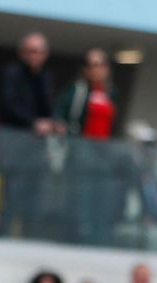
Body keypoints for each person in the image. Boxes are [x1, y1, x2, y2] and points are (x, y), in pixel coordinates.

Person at [55, 48, 123, 246]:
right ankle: (75, 238)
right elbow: (60, 114)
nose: (96, 70)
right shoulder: (76, 90)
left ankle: (99, 239)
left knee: (101, 200)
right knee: (80, 200)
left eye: (100, 65)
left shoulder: (111, 93)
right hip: (81, 150)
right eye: (92, 65)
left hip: (104, 153)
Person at [0, 32, 58, 239]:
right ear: (22, 52)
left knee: (34, 199)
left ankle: (27, 237)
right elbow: (9, 105)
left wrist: (53, 125)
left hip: (37, 150)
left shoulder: (46, 77)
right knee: (11, 197)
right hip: (14, 147)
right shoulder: (12, 73)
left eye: (40, 51)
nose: (36, 56)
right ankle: (4, 236)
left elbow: (49, 109)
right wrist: (33, 123)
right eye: (31, 51)